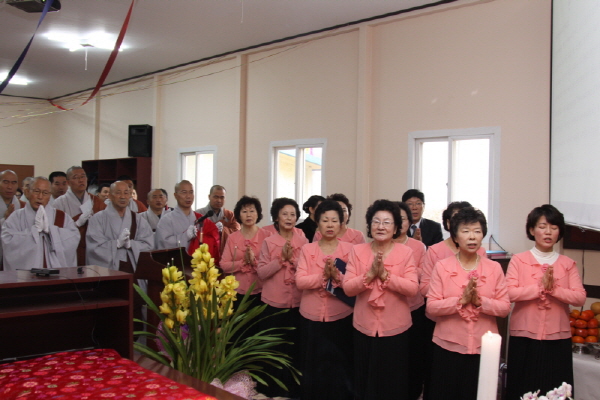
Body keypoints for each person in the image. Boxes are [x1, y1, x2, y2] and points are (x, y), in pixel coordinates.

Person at [426, 207, 510, 400]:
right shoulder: (442, 266)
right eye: (465, 231)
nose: (472, 237)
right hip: (448, 346)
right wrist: (460, 301)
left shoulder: (494, 268)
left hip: (483, 349)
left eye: (477, 231)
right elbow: (432, 307)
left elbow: (504, 308)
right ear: (455, 237)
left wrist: (481, 301)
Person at [505, 205, 586, 400]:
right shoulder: (518, 260)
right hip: (524, 337)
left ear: (560, 232)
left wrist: (554, 290)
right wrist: (538, 289)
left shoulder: (567, 264)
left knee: (555, 390)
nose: (548, 232)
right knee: (522, 388)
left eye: (554, 227)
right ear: (532, 230)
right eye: (542, 226)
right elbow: (508, 293)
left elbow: (579, 297)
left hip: (557, 339)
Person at [343, 199, 419, 400]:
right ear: (369, 225)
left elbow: (412, 288)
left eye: (387, 222)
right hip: (364, 326)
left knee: (393, 381)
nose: (380, 226)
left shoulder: (406, 252)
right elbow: (348, 288)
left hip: (396, 327)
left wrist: (386, 277)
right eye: (376, 221)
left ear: (395, 227)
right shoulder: (357, 251)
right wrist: (368, 276)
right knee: (364, 379)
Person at [418, 201, 483, 399]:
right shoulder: (436, 251)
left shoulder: (478, 251)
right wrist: (451, 294)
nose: (470, 235)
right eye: (457, 221)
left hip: (472, 323)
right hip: (441, 320)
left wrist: (473, 297)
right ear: (449, 225)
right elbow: (424, 287)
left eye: (475, 229)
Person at [296, 199, 355, 400]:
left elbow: (353, 284)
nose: (330, 225)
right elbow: (301, 281)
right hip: (311, 315)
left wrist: (337, 277)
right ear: (317, 223)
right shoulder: (307, 249)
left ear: (341, 223)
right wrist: (323, 277)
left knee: (340, 364)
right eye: (325, 220)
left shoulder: (350, 250)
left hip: (341, 315)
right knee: (313, 363)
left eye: (334, 220)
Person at [256, 197, 308, 398]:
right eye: (284, 214)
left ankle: (293, 389)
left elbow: (307, 268)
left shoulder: (303, 240)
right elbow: (261, 273)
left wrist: (292, 260)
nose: (289, 218)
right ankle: (271, 388)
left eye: (293, 214)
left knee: (294, 348)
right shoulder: (269, 242)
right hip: (273, 303)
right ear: (276, 217)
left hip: (297, 303)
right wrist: (280, 260)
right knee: (274, 348)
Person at [86, 181, 154, 330]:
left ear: (130, 195)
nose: (122, 196)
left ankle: (135, 343)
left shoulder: (138, 219)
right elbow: (93, 246)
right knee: (112, 306)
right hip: (110, 270)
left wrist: (131, 245)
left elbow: (149, 244)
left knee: (136, 304)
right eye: (118, 193)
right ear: (109, 195)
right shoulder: (98, 218)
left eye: (126, 193)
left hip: (132, 267)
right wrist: (115, 244)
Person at [2, 177, 79, 270]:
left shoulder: (61, 216)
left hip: (56, 272)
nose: (40, 197)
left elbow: (74, 237)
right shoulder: (16, 217)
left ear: (50, 196)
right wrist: (33, 232)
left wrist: (51, 231)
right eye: (36, 191)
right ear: (27, 193)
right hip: (25, 275)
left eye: (45, 193)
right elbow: (7, 241)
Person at [394, 201, 428, 400]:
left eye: (403, 218)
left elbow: (423, 274)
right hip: (388, 309)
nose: (399, 222)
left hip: (412, 307)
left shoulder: (418, 246)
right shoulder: (380, 246)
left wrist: (401, 269)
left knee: (413, 356)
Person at [220, 196, 271, 311]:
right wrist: (243, 262)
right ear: (238, 215)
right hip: (237, 292)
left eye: (252, 211)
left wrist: (253, 261)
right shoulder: (233, 238)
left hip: (262, 291)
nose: (248, 215)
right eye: (244, 211)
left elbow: (270, 266)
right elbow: (224, 265)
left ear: (258, 214)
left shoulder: (267, 236)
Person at [53, 166, 106, 265]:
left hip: (93, 248)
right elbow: (56, 232)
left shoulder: (96, 201)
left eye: (83, 176)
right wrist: (76, 224)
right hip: (71, 249)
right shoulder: (59, 203)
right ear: (68, 182)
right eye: (76, 177)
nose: (81, 180)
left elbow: (106, 224)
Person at [155, 180, 220, 260]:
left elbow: (210, 240)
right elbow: (163, 244)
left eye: (191, 192)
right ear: (175, 195)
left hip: (198, 266)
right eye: (184, 192)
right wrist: (185, 236)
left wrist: (216, 231)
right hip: (177, 266)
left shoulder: (200, 218)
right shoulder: (166, 220)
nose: (188, 196)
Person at [1, 170, 26, 270]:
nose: (10, 187)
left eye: (14, 182)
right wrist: (5, 220)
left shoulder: (24, 206)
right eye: (5, 182)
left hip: (17, 255)